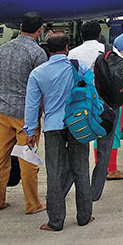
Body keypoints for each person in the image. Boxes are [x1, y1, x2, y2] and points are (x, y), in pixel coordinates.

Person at [24, 34, 93, 231]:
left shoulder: (38, 73)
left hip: (53, 126)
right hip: (78, 124)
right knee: (80, 168)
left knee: (54, 172)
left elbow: (32, 105)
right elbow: (92, 89)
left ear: (48, 50)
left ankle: (55, 221)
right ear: (66, 48)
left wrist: (30, 130)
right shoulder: (78, 67)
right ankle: (84, 216)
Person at [0, 11, 47, 214]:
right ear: (39, 30)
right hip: (26, 115)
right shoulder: (37, 53)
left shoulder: (2, 49)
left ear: (20, 27)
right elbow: (40, 88)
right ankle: (33, 203)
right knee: (27, 158)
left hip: (3, 111)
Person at [68, 20, 123, 194]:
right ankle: (95, 191)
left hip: (82, 102)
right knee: (105, 145)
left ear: (81, 35)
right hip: (107, 102)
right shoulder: (109, 50)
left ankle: (69, 187)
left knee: (79, 143)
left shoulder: (72, 53)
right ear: (99, 34)